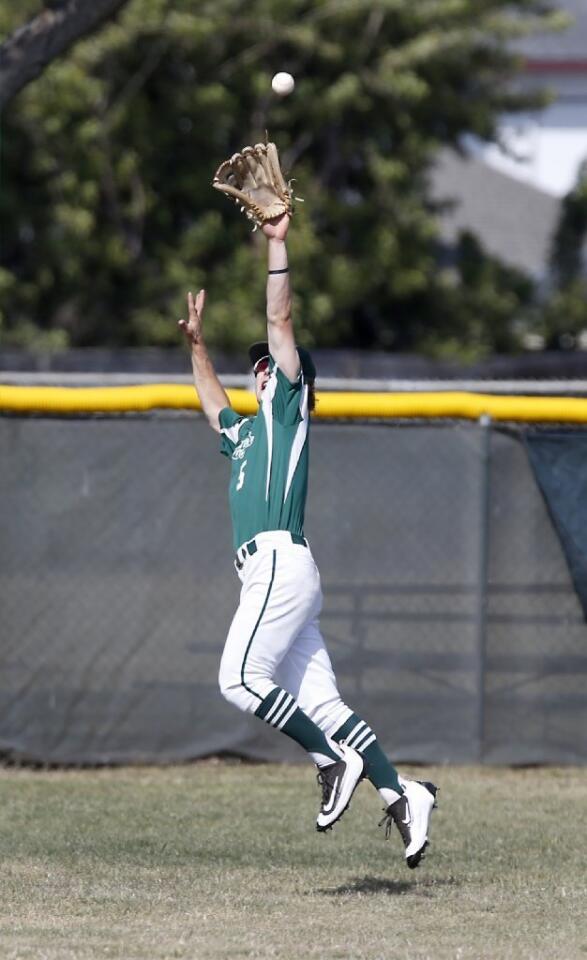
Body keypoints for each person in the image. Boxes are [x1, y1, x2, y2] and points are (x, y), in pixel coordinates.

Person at [178, 213, 437, 865]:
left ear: (292, 377)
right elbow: (214, 409)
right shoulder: (245, 436)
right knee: (322, 701)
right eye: (258, 367)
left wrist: (276, 243)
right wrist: (197, 347)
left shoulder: (289, 407)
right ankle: (402, 793)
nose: (259, 368)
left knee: (239, 679)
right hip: (277, 575)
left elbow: (280, 322)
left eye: (266, 364)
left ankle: (330, 761)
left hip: (277, 567)